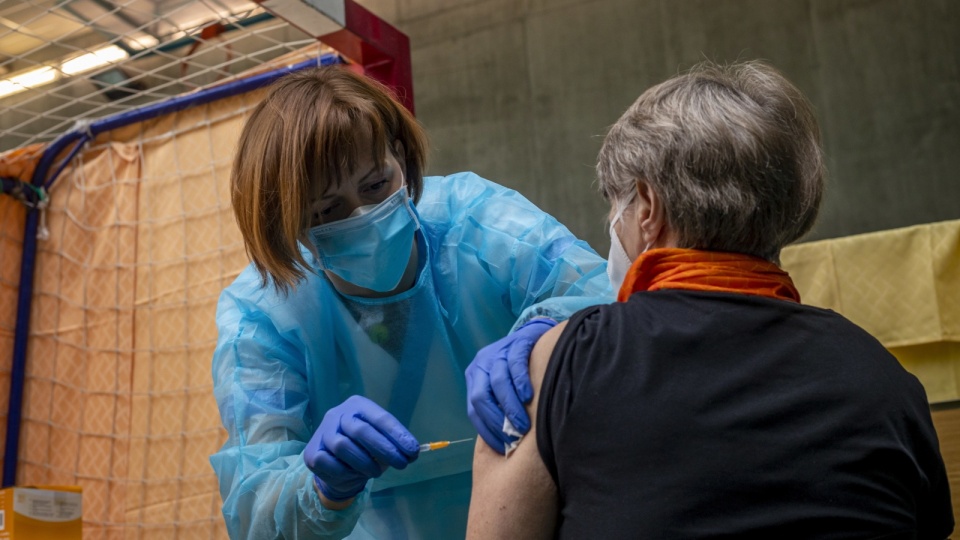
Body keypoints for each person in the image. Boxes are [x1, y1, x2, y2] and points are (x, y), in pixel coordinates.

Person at [467, 60, 954, 538]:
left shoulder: (550, 370)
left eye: (618, 204)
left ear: (648, 208)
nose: (612, 225)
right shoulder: (884, 379)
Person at [209, 66, 612, 539]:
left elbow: (605, 297)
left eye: (377, 185)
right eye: (326, 211)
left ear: (400, 155)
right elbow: (255, 512)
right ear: (288, 223)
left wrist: (543, 331)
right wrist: (321, 487)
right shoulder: (263, 315)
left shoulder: (477, 223)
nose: (362, 215)